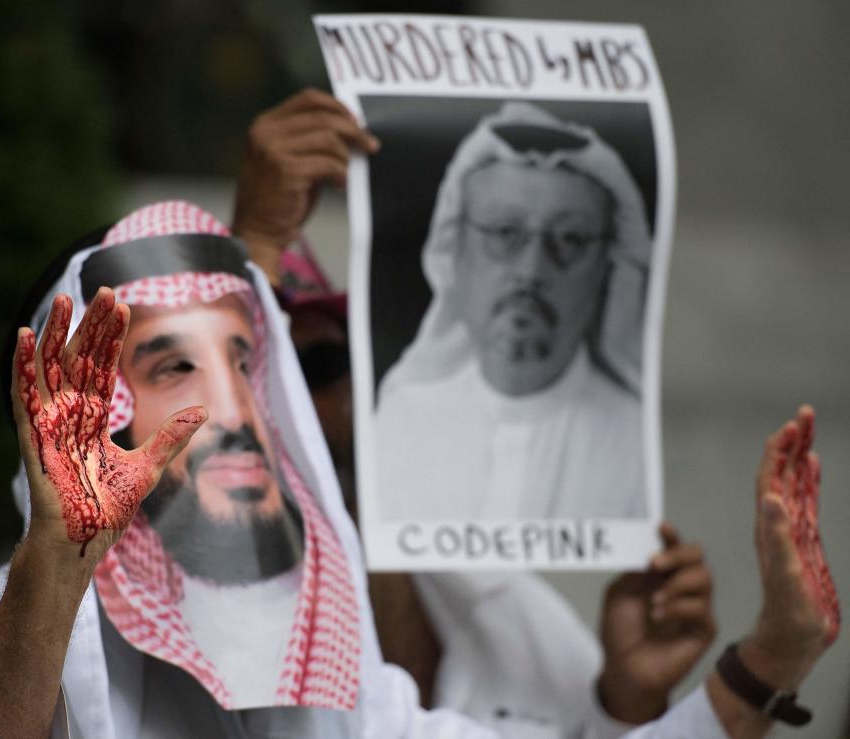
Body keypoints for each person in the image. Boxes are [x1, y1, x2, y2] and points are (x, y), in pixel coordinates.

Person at [0, 196, 841, 738]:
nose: (234, 411)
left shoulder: (326, 685)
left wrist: (774, 654)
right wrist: (58, 560)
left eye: (244, 364)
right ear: (82, 409)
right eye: (175, 364)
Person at [228, 90, 837, 737]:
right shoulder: (160, 607)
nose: (301, 407)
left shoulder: (504, 605)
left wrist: (623, 700)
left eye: (321, 366)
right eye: (266, 370)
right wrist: (253, 246)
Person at [373, 101, 652, 521]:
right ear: (456, 254)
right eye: (504, 233)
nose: (531, 271)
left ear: (605, 270)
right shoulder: (400, 420)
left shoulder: (636, 443)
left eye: (570, 240)